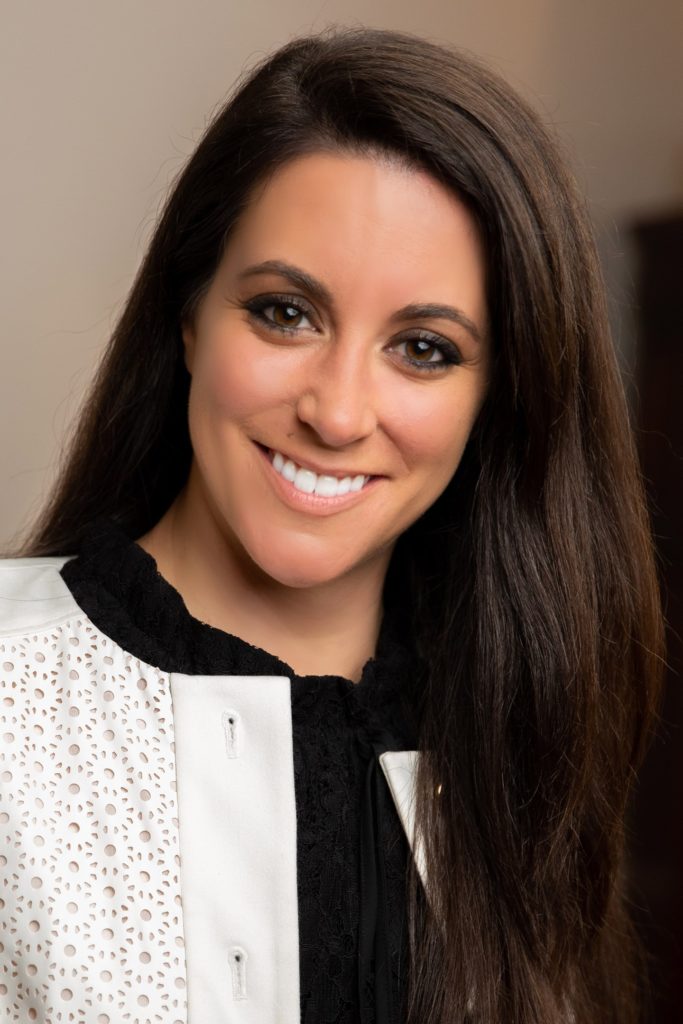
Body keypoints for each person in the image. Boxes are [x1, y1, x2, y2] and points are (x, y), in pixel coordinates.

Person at [0, 27, 663, 1024]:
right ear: (189, 316)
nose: (339, 412)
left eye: (424, 348)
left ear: (498, 398)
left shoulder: (513, 739)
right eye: (285, 312)